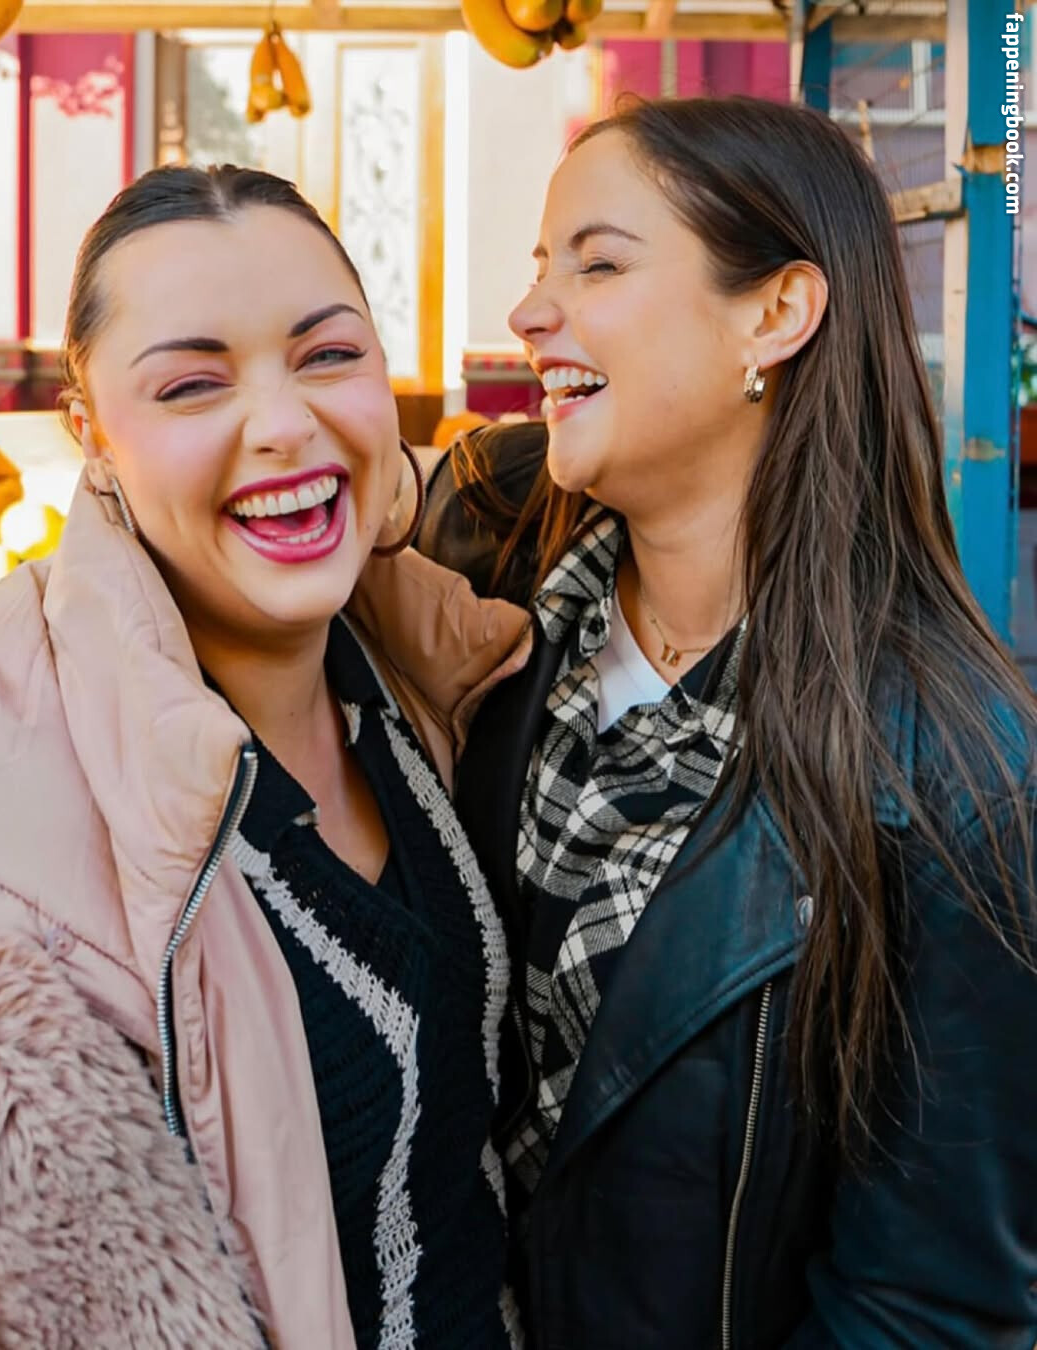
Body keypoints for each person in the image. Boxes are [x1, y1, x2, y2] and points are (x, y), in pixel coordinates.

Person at [416, 96, 1037, 1349]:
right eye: (541, 266)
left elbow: (928, 1304)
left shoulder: (952, 770)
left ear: (777, 313)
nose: (530, 312)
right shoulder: (486, 557)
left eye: (598, 264)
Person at [0, 164, 530, 1350]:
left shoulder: (429, 668)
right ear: (91, 433)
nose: (283, 424)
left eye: (329, 355)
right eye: (192, 384)